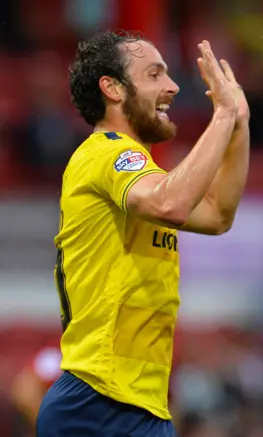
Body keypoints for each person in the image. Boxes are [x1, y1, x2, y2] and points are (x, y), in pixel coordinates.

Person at [36, 31, 250, 437]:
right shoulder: (106, 154)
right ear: (112, 88)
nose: (172, 86)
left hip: (141, 405)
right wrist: (221, 116)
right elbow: (172, 204)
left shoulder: (140, 176)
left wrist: (239, 123)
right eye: (155, 74)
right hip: (97, 402)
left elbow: (219, 215)